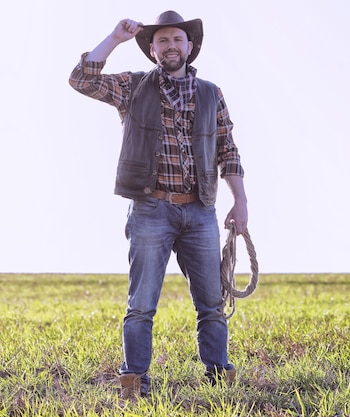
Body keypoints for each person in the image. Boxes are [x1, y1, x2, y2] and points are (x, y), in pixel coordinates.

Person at [69, 11, 248, 399]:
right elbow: (81, 80)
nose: (170, 46)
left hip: (200, 210)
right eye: (162, 41)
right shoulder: (133, 87)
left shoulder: (211, 93)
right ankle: (134, 382)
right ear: (152, 50)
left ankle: (219, 378)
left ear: (189, 47)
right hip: (150, 209)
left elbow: (228, 150)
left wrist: (240, 201)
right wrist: (115, 38)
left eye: (177, 39)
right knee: (141, 305)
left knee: (212, 304)